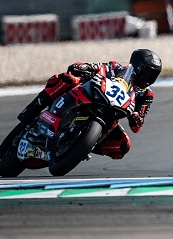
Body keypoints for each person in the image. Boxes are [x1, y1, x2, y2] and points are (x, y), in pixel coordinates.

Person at [16, 49, 162, 159]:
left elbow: (137, 126)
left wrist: (136, 117)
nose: (149, 78)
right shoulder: (115, 67)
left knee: (123, 145)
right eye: (148, 73)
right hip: (91, 95)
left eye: (153, 75)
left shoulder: (147, 95)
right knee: (67, 79)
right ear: (137, 66)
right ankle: (32, 110)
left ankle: (79, 147)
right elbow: (96, 67)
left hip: (111, 115)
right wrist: (84, 68)